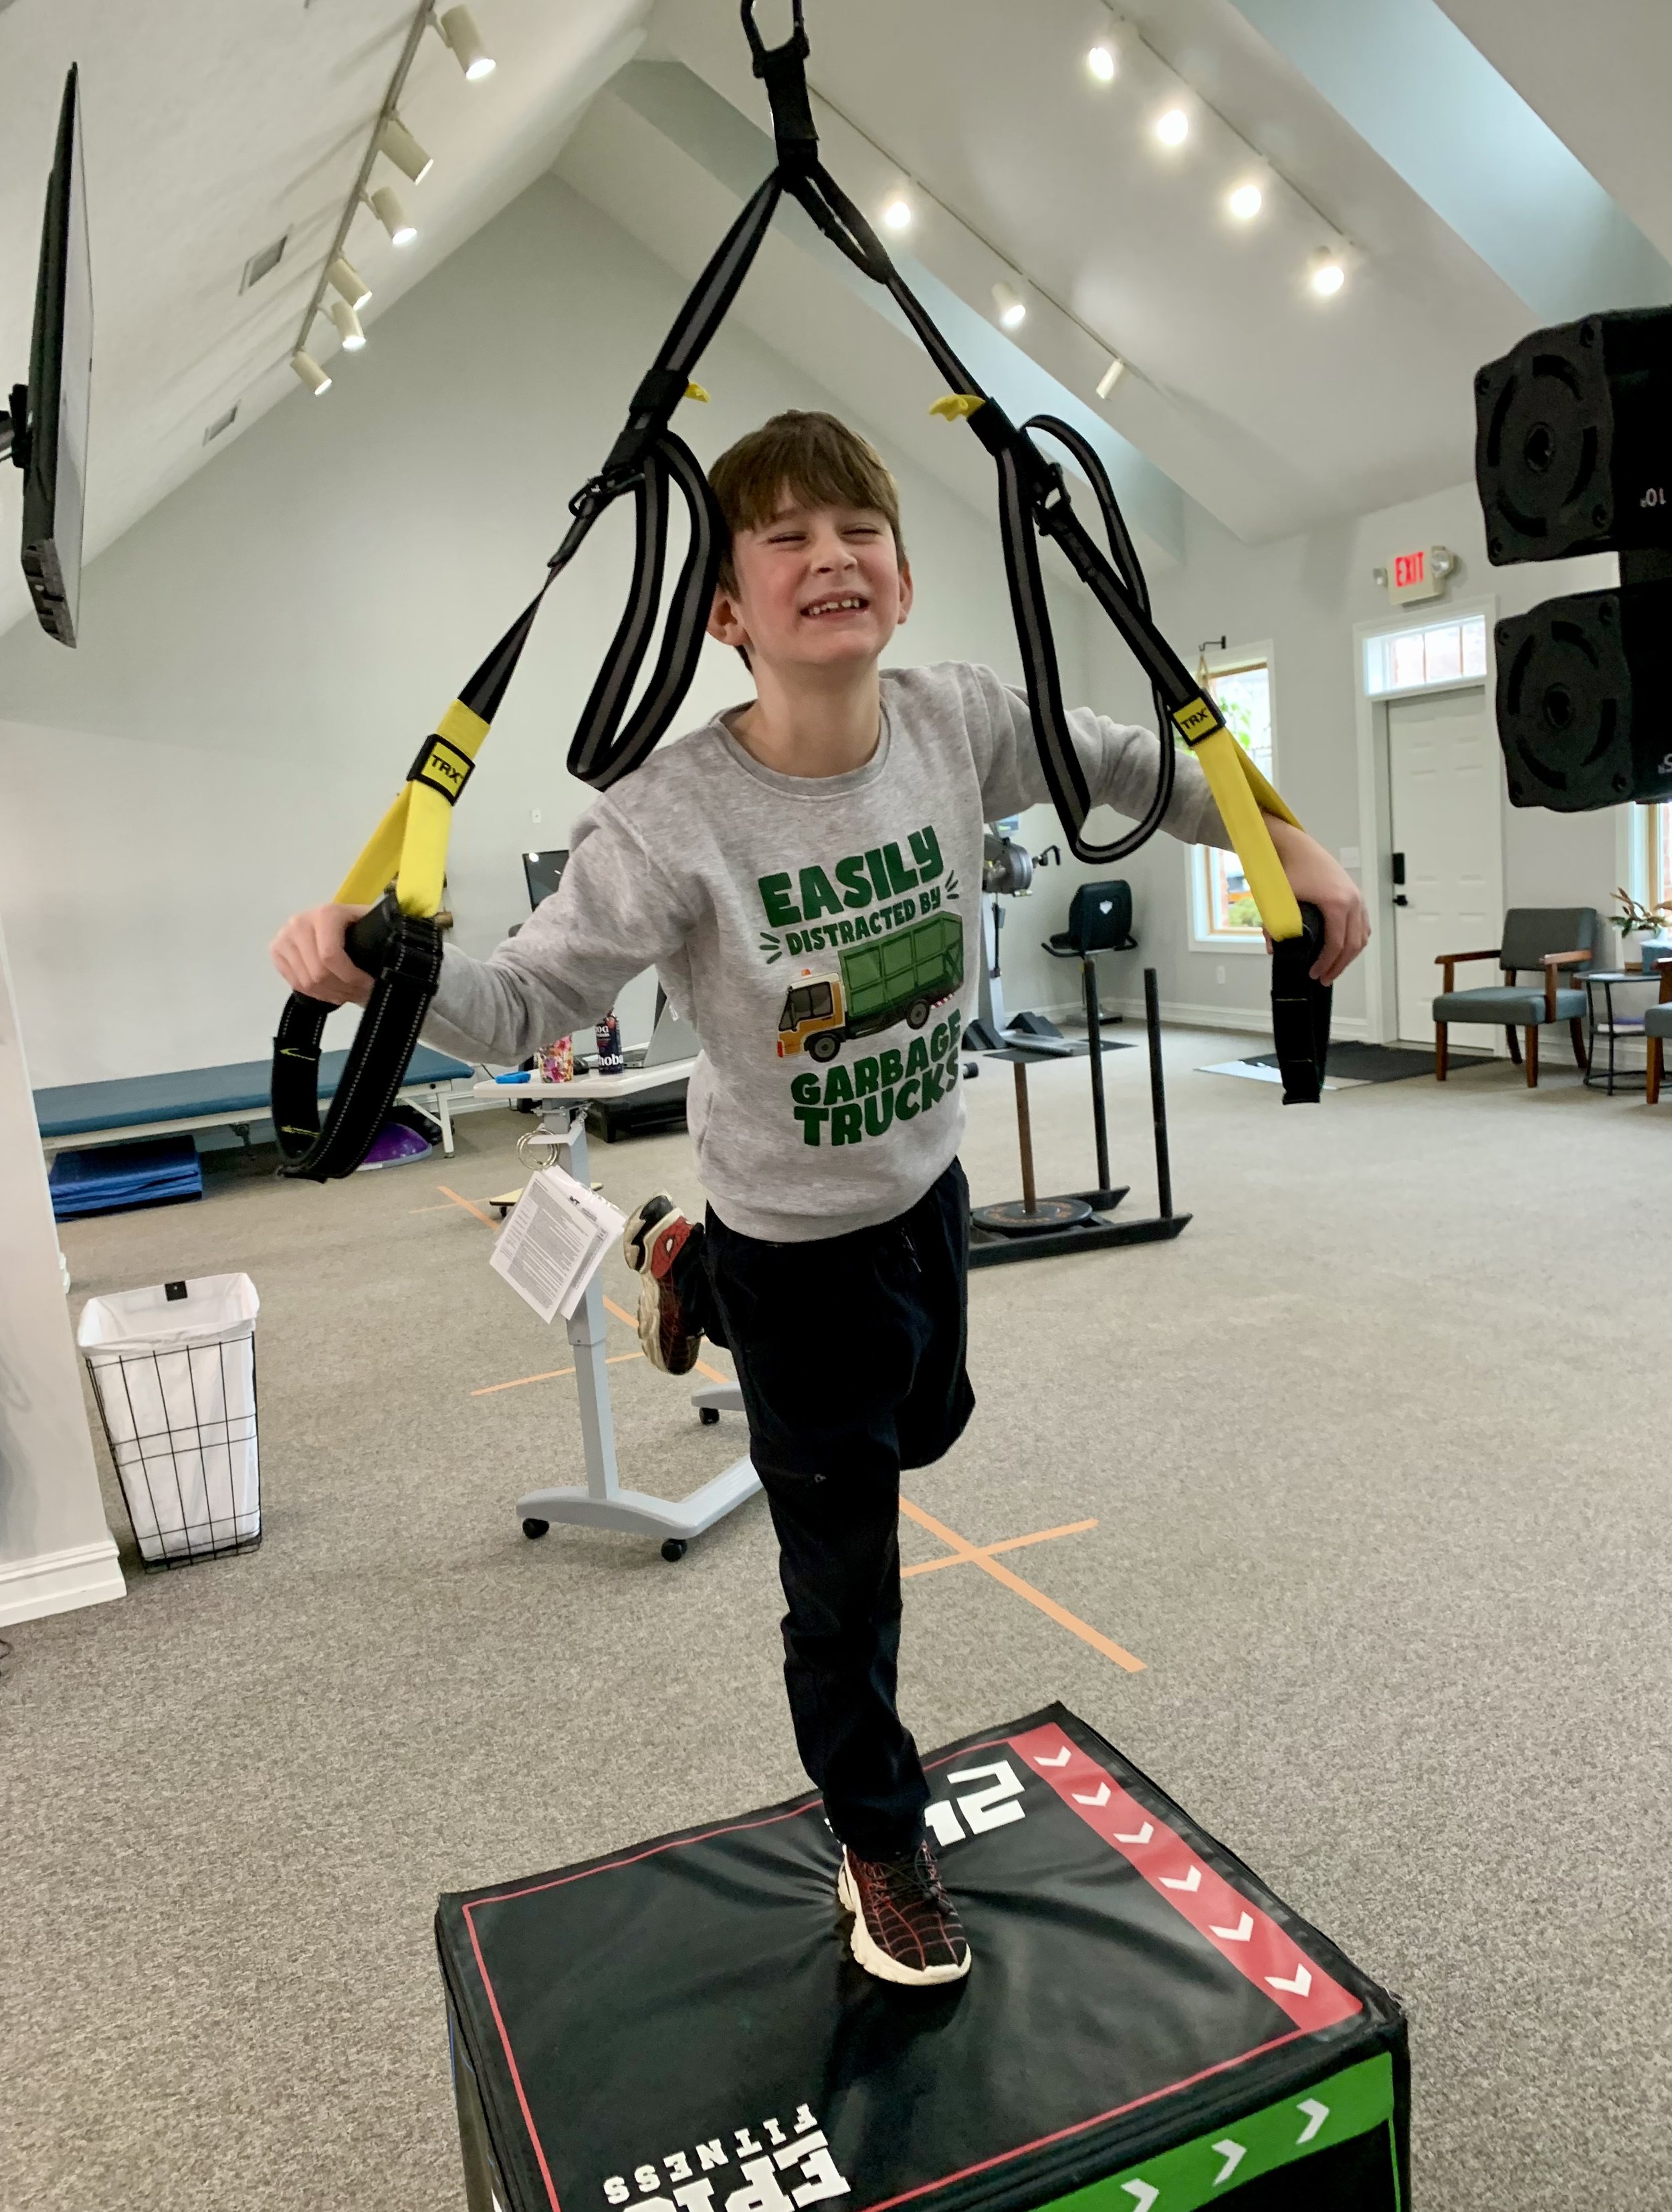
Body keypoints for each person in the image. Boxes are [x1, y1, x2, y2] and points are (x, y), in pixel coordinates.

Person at [272, 411, 1368, 1987]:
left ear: (905, 581)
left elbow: (1146, 770)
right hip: (792, 1251)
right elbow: (517, 1008)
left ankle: (677, 1257)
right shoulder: (666, 815)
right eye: (781, 536)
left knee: (930, 1426)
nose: (827, 554)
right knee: (840, 1574)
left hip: (923, 1191)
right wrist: (375, 960)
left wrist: (1300, 851)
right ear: (724, 609)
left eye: (855, 526)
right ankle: (877, 1835)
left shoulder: (960, 724)